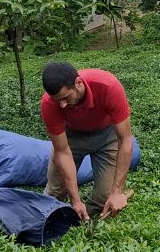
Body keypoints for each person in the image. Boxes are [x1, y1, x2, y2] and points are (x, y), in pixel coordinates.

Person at [40, 61, 135, 220]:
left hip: (107, 136)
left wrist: (117, 191)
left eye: (65, 97)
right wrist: (75, 200)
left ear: (78, 83)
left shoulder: (108, 86)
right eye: (58, 100)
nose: (62, 105)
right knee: (54, 193)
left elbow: (125, 140)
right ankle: (68, 212)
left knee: (105, 197)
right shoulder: (50, 104)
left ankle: (83, 217)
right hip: (73, 137)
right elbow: (62, 152)